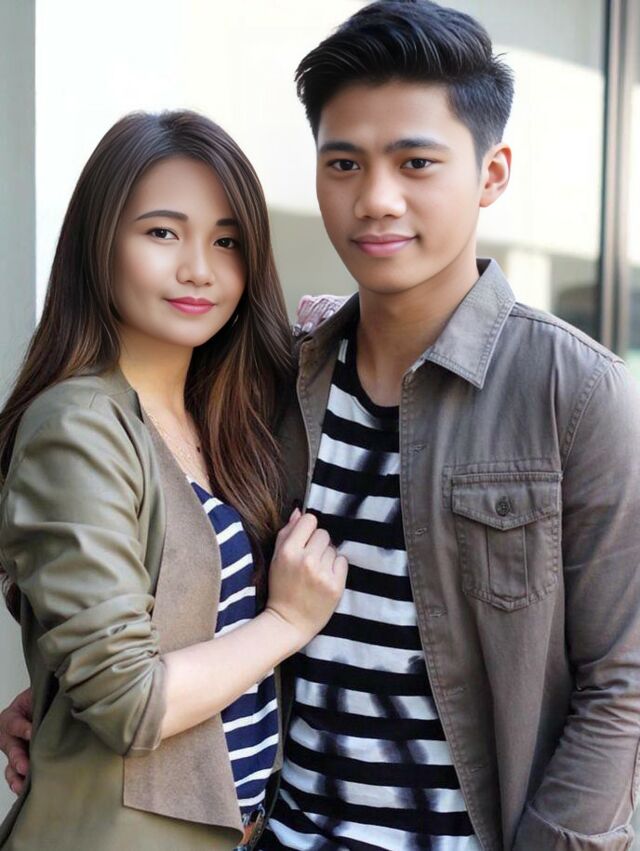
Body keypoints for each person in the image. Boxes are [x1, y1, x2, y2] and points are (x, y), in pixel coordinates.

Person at [4, 1, 640, 849]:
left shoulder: (576, 392)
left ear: (491, 174)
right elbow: (194, 593)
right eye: (344, 163)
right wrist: (59, 699)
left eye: (416, 162)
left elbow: (621, 683)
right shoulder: (279, 382)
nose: (375, 199)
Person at [0, 110, 347, 850]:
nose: (199, 269)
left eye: (227, 241)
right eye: (162, 233)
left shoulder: (224, 416)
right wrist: (287, 623)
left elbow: (166, 625)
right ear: (99, 242)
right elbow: (130, 702)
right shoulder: (77, 426)